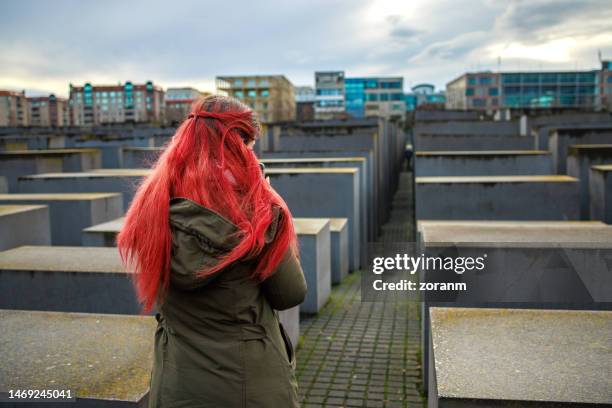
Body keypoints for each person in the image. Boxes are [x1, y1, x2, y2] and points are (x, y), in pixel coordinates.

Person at [117, 95, 307, 407]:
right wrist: (266, 199)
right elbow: (291, 293)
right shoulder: (256, 213)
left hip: (177, 383)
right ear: (239, 143)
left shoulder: (152, 206)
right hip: (250, 385)